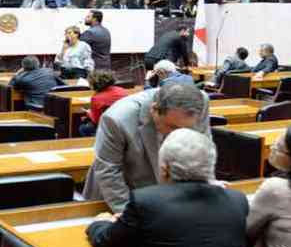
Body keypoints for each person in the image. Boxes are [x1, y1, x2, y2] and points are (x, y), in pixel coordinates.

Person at [86, 129, 248, 247]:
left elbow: (107, 244)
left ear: (164, 169)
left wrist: (99, 223)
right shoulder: (237, 201)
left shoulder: (146, 201)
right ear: (211, 165)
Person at [82, 84, 211, 212]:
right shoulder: (117, 119)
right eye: (173, 127)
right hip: (118, 194)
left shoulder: (201, 102)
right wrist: (131, 216)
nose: (179, 134)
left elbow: (202, 149)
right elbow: (108, 170)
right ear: (154, 109)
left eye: (186, 128)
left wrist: (205, 186)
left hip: (169, 196)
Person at [79, 70, 129, 137]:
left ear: (94, 84)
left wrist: (88, 112)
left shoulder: (96, 98)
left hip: (107, 128)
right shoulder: (122, 90)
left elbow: (96, 120)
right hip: (125, 125)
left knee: (83, 128)